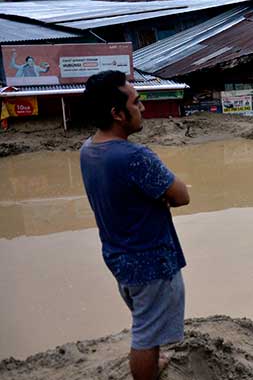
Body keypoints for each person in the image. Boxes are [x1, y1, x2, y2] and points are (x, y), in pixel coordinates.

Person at [79, 70, 190, 380]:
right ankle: (146, 368)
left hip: (118, 255)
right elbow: (181, 195)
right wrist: (163, 197)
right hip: (149, 258)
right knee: (145, 333)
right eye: (137, 102)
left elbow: (122, 194)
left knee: (145, 319)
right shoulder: (135, 156)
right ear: (117, 113)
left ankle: (152, 358)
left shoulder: (88, 150)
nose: (143, 108)